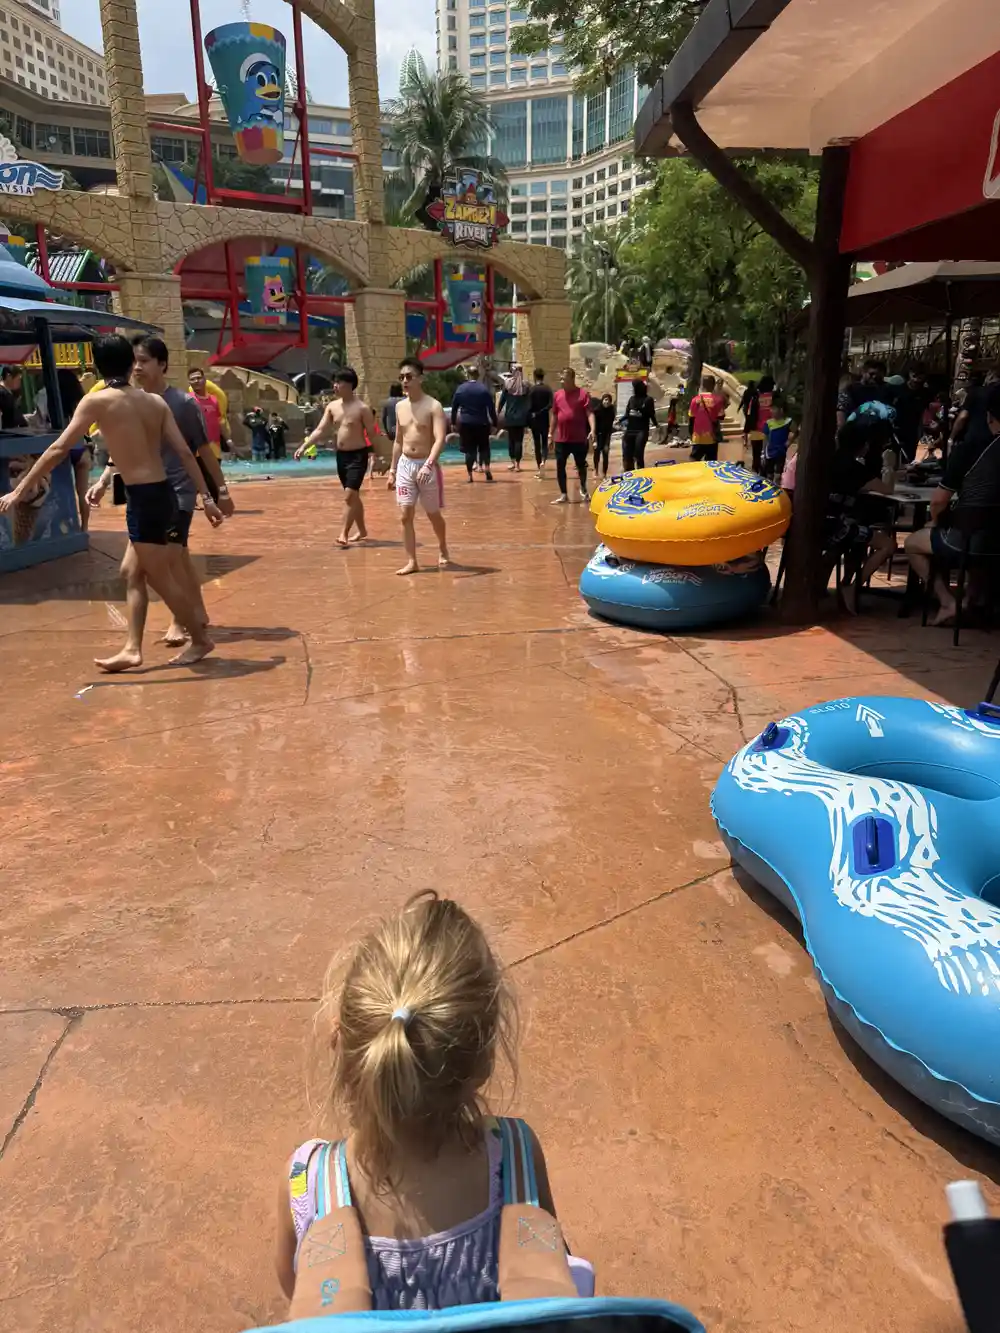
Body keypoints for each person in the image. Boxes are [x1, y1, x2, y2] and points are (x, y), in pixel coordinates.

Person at [275, 892, 592, 1312]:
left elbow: (296, 1285)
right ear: (485, 1059)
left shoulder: (306, 1181)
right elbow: (551, 1261)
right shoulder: (517, 1157)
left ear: (342, 1042)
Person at [0, 334, 220, 665]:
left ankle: (200, 640)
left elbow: (59, 449)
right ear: (131, 364)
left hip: (145, 499)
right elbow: (187, 454)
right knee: (131, 573)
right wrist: (208, 496)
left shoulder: (97, 401)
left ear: (97, 366)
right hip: (162, 494)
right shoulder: (155, 402)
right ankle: (132, 649)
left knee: (159, 576)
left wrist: (19, 490)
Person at [87, 335, 233, 665]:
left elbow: (198, 452)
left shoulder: (181, 403)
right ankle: (189, 619)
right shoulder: (129, 399)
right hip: (141, 494)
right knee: (162, 564)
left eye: (144, 361)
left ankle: (184, 626)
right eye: (135, 361)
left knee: (163, 565)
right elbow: (123, 449)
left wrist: (217, 494)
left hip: (175, 494)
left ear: (162, 364)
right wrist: (104, 480)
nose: (138, 367)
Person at [905, 382, 1000, 627]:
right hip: (994, 539)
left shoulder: (970, 449)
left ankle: (947, 601)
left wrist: (935, 521)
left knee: (913, 543)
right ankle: (971, 599)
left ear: (989, 417)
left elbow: (938, 501)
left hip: (968, 539)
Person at [296, 368, 378, 548]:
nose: (335, 386)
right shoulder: (332, 407)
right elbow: (320, 430)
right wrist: (304, 447)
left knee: (349, 495)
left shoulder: (362, 409)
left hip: (358, 455)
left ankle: (343, 534)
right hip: (341, 457)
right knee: (353, 496)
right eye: (335, 382)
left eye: (339, 382)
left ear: (350, 385)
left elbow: (372, 434)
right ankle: (362, 530)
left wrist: (377, 456)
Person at [824, 419, 896, 615]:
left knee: (858, 535)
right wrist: (889, 465)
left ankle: (841, 582)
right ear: (863, 445)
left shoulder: (826, 461)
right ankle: (852, 586)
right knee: (888, 545)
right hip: (836, 528)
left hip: (820, 523)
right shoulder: (855, 469)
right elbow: (887, 489)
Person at [389, 357, 450, 575]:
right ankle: (412, 561)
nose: (405, 381)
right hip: (406, 464)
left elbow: (440, 439)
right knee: (405, 515)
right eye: (402, 377)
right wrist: (392, 470)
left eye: (409, 376)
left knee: (433, 514)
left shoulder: (433, 406)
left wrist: (428, 465)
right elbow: (398, 440)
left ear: (420, 378)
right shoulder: (399, 407)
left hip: (426, 464)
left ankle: (442, 547)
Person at [549, 366, 593, 505]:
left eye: (564, 379)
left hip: (578, 438)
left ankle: (584, 489)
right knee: (560, 465)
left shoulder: (582, 394)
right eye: (561, 378)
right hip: (561, 438)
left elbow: (589, 413)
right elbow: (554, 415)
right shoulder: (557, 395)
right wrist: (550, 434)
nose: (562, 381)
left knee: (581, 465)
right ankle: (563, 494)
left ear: (572, 379)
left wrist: (593, 429)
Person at [451, 365, 497, 482]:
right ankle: (487, 468)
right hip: (482, 423)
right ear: (478, 375)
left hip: (466, 423)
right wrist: (495, 423)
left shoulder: (460, 389)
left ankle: (470, 475)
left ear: (467, 375)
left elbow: (454, 407)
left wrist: (453, 422)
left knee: (469, 449)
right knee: (484, 447)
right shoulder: (483, 389)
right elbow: (491, 408)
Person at [837, 358, 896, 428]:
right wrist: (842, 429)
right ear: (863, 372)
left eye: (879, 376)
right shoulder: (851, 389)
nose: (874, 377)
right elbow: (841, 410)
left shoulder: (887, 390)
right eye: (871, 374)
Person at [188, 367, 231, 459]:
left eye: (199, 378)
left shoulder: (214, 400)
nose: (196, 381)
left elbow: (220, 421)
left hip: (215, 447)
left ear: (204, 379)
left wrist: (228, 440)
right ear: (189, 382)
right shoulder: (187, 400)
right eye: (192, 379)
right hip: (197, 449)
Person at [892, 365, 930, 463]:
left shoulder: (925, 392)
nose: (916, 380)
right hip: (898, 427)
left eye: (920, 376)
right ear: (910, 374)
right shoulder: (898, 390)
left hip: (916, 428)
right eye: (914, 375)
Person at [498, 364, 531, 472]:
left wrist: (498, 411)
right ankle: (517, 464)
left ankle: (512, 462)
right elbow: (529, 402)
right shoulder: (525, 386)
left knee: (511, 440)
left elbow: (502, 400)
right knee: (518, 441)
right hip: (521, 417)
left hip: (510, 416)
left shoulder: (508, 384)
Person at [621, 378, 657, 471]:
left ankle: (641, 472)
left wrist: (656, 425)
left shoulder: (648, 399)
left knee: (638, 453)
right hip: (630, 429)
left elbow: (651, 414)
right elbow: (627, 414)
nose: (633, 389)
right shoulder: (631, 399)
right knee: (627, 454)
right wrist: (619, 420)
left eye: (634, 387)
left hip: (642, 430)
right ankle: (629, 473)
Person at [689, 375, 725, 462]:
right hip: (712, 437)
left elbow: (691, 418)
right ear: (713, 385)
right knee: (711, 463)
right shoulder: (718, 400)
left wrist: (691, 434)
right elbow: (721, 416)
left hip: (698, 437)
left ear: (702, 385)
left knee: (694, 461)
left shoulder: (695, 400)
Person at [761, 394, 793, 482]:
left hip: (781, 452)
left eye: (774, 409)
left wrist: (789, 442)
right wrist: (763, 453)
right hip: (769, 453)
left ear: (781, 410)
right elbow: (765, 438)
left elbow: (796, 432)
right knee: (769, 476)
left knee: (778, 475)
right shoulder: (768, 423)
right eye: (771, 409)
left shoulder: (788, 422)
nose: (771, 411)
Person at [528, 367, 553, 475]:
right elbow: (550, 404)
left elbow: (529, 406)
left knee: (537, 443)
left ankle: (539, 467)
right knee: (544, 443)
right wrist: (542, 411)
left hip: (535, 420)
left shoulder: (532, 390)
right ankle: (543, 461)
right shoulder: (547, 389)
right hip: (544, 419)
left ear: (534, 377)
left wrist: (533, 415)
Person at [592, 392, 616, 478]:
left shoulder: (611, 411)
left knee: (605, 453)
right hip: (598, 435)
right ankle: (596, 470)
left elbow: (610, 427)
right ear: (602, 400)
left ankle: (604, 473)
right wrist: (594, 440)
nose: (607, 402)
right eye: (605, 400)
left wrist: (607, 442)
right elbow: (594, 426)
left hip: (606, 435)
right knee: (596, 453)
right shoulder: (597, 410)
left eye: (609, 400)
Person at [740, 380, 761, 471]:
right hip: (752, 411)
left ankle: (745, 441)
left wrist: (740, 407)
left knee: (747, 424)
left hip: (747, 409)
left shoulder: (746, 391)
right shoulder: (756, 392)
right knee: (750, 424)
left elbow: (743, 400)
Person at [0, 365, 26, 429]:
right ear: (8, 376)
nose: (19, 383)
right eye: (18, 379)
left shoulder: (10, 393)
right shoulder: (2, 394)